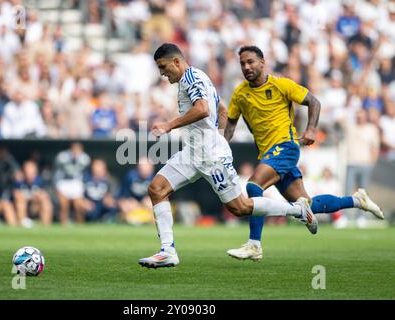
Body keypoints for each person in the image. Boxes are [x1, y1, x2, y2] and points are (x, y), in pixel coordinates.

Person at [138, 43, 317, 269]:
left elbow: (203, 109)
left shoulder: (192, 79)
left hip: (211, 156)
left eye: (163, 67)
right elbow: (222, 109)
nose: (162, 73)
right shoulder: (196, 78)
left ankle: (298, 210)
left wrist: (169, 125)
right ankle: (167, 251)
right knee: (156, 189)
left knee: (239, 207)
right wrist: (219, 137)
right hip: (194, 153)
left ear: (176, 62)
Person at [223, 45, 384, 261]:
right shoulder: (240, 94)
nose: (246, 66)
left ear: (262, 62)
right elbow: (231, 125)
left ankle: (254, 245)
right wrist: (221, 148)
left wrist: (310, 129)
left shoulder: (281, 84)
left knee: (254, 186)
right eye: (242, 63)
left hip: (286, 147)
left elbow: (313, 102)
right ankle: (356, 201)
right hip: (268, 154)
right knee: (308, 204)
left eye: (250, 61)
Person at [53, 142, 90, 224]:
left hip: (76, 183)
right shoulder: (62, 157)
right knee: (64, 205)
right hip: (64, 182)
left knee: (79, 205)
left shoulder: (85, 158)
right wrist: (56, 185)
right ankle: (63, 224)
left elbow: (85, 173)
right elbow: (57, 172)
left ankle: (80, 224)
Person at [13, 160, 53, 227]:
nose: (29, 171)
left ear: (35, 170)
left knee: (46, 202)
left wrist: (38, 196)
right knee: (20, 201)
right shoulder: (19, 181)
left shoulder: (40, 181)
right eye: (27, 168)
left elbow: (44, 194)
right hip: (24, 206)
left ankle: (46, 226)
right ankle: (23, 224)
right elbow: (16, 194)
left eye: (31, 169)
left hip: (35, 206)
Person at [78, 159, 117, 223]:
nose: (98, 169)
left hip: (102, 205)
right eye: (96, 166)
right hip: (90, 204)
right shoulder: (85, 178)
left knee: (112, 206)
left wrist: (109, 197)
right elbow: (78, 194)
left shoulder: (110, 180)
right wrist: (84, 201)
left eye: (100, 166)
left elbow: (114, 191)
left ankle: (108, 220)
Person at [118, 158, 154, 225]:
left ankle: (147, 219)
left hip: (147, 205)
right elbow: (122, 197)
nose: (144, 171)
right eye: (142, 168)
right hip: (133, 204)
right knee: (125, 206)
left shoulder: (156, 178)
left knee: (153, 205)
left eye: (147, 168)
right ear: (138, 168)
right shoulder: (130, 177)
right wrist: (129, 201)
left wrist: (149, 200)